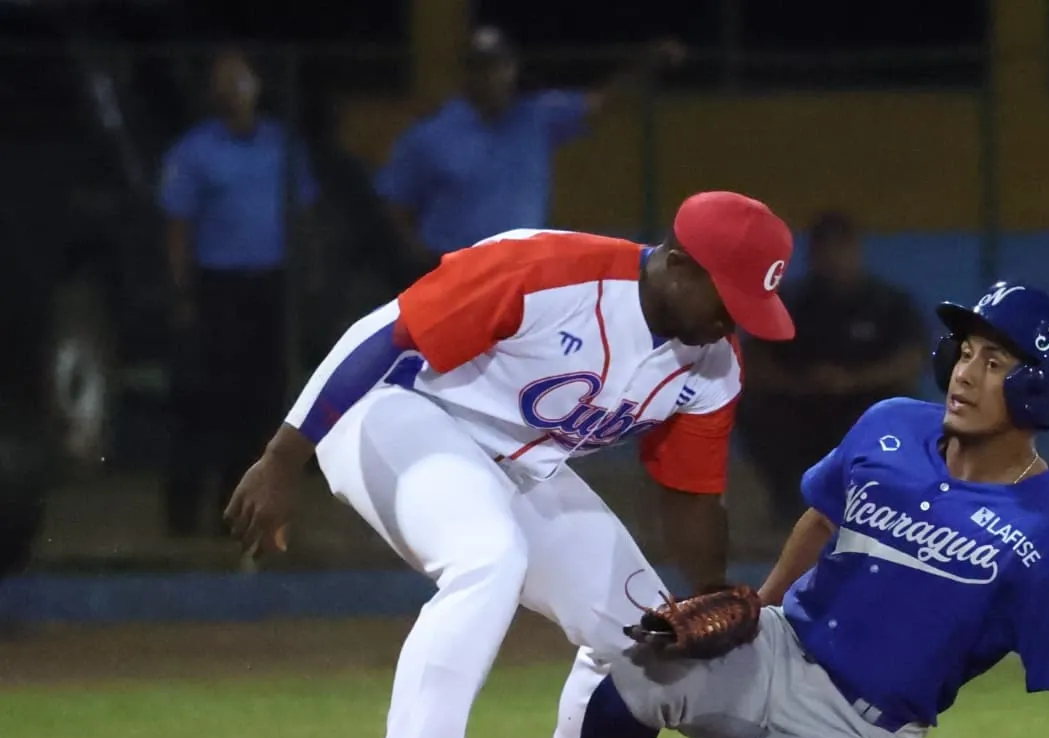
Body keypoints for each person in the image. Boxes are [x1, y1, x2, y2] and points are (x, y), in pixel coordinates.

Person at [462, 282, 1049, 738]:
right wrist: (759, 609)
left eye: (994, 362)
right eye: (966, 352)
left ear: (1038, 387)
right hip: (783, 648)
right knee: (635, 671)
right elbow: (822, 517)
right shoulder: (890, 426)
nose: (965, 374)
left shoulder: (1047, 534)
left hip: (860, 732)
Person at [223, 190, 796, 738]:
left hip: (518, 464)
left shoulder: (712, 364)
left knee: (644, 631)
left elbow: (692, 493)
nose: (731, 321)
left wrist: (707, 596)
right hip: (397, 410)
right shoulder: (549, 272)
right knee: (487, 558)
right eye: (726, 298)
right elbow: (384, 334)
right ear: (678, 265)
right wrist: (284, 457)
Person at [159, 48, 318, 536]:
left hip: (268, 286)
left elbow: (302, 214)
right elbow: (178, 226)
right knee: (206, 401)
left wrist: (305, 278)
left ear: (258, 85)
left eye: (241, 78)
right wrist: (182, 293)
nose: (233, 89)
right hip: (216, 288)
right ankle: (183, 514)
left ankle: (237, 512)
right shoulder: (195, 151)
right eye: (223, 80)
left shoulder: (282, 146)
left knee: (261, 400)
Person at [377, 26, 684, 273]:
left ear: (512, 69)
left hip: (524, 269)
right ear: (466, 73)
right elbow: (393, 203)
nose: (490, 77)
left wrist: (648, 64)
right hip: (455, 269)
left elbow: (602, 102)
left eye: (498, 66)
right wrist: (417, 258)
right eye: (480, 68)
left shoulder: (535, 118)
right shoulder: (432, 133)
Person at [737, 211, 929, 526]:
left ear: (856, 251)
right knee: (754, 408)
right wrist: (803, 384)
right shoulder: (791, 303)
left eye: (841, 248)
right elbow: (754, 360)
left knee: (901, 411)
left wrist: (851, 381)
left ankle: (879, 505)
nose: (833, 259)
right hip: (801, 405)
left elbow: (911, 360)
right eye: (824, 250)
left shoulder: (888, 303)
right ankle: (789, 503)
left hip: (863, 406)